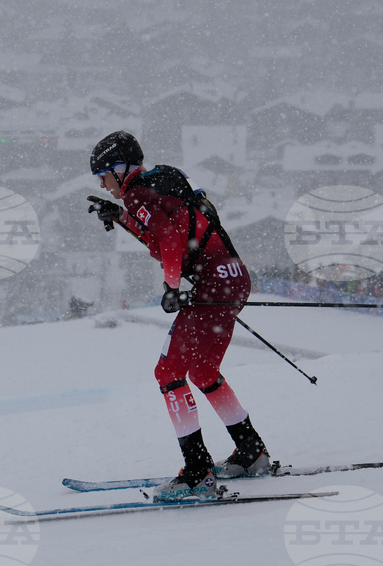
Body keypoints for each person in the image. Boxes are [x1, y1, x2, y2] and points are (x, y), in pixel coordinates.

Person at [87, 131, 269, 503]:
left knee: (167, 373)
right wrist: (120, 217)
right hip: (232, 279)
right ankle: (251, 454)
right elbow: (164, 233)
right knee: (202, 372)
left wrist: (171, 287)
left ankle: (197, 472)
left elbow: (168, 241)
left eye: (103, 175)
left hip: (210, 287)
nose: (102, 184)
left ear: (120, 169)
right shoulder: (162, 179)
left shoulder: (139, 191)